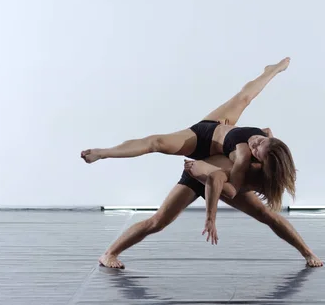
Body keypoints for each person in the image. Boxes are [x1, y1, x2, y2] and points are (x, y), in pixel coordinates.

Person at [81, 57, 296, 212]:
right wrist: (265, 143)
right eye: (261, 141)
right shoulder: (266, 135)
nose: (255, 142)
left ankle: (103, 153)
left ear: (257, 160)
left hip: (200, 142)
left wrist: (205, 178)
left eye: (257, 150)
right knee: (243, 98)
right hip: (216, 124)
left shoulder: (242, 158)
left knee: (156, 143)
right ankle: (272, 70)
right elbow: (267, 143)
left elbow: (231, 191)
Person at [98, 153, 323, 269]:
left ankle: (307, 252)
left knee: (267, 215)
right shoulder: (251, 170)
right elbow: (215, 180)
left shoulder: (265, 174)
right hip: (201, 176)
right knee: (158, 221)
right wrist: (210, 219)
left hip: (221, 181)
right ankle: (109, 253)